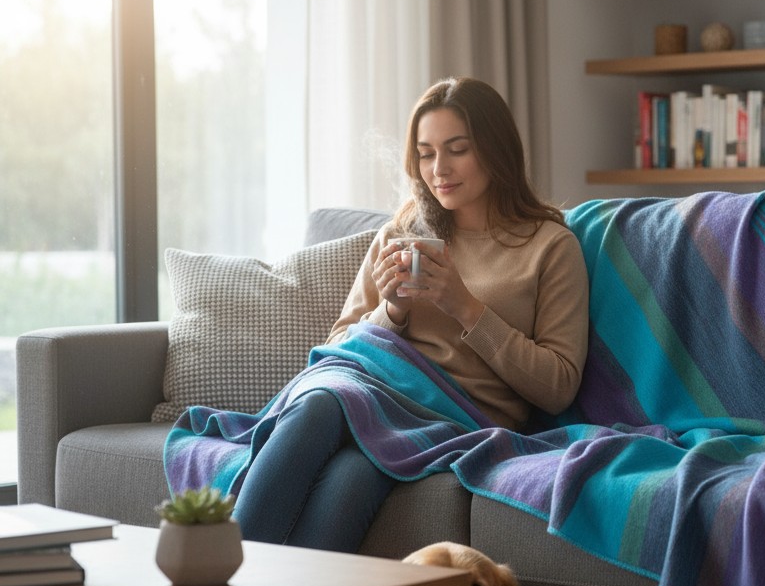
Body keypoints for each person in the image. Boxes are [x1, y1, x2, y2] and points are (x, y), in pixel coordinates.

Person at [229, 76, 590, 552]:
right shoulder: (401, 233)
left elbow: (559, 385)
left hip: (456, 415)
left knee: (326, 407)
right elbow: (337, 349)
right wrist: (392, 310)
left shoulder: (549, 247)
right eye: (425, 153)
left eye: (456, 149)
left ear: (495, 149)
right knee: (351, 472)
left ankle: (218, 582)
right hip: (373, 394)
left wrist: (463, 306)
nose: (438, 168)